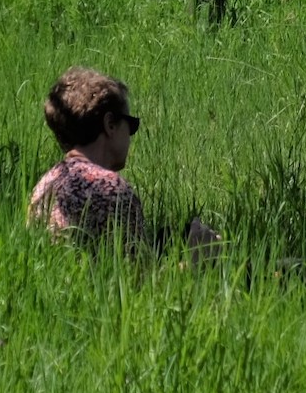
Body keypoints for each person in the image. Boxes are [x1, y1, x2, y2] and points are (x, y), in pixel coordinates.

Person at [28, 66, 219, 255]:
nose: (130, 135)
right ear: (110, 124)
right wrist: (197, 254)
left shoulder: (45, 186)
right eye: (131, 125)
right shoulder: (109, 189)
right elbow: (140, 282)